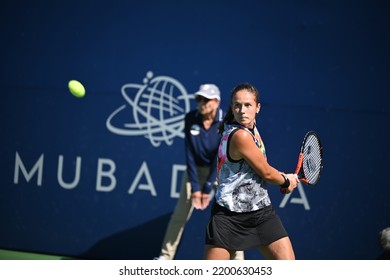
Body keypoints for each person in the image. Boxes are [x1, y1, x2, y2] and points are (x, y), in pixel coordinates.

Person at [203, 82, 299, 260]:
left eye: (248, 105)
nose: (242, 110)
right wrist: (286, 181)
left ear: (258, 107)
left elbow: (261, 167)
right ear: (232, 107)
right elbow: (266, 173)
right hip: (228, 217)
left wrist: (284, 178)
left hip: (260, 213)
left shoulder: (251, 128)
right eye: (237, 105)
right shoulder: (241, 135)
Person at [155, 84, 244, 260]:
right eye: (199, 99)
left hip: (220, 172)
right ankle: (165, 258)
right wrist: (196, 188)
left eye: (206, 99)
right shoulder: (190, 118)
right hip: (194, 172)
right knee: (179, 216)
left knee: (230, 217)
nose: (201, 103)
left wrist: (207, 187)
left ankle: (237, 263)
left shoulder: (226, 122)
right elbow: (189, 153)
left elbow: (218, 158)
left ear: (217, 102)